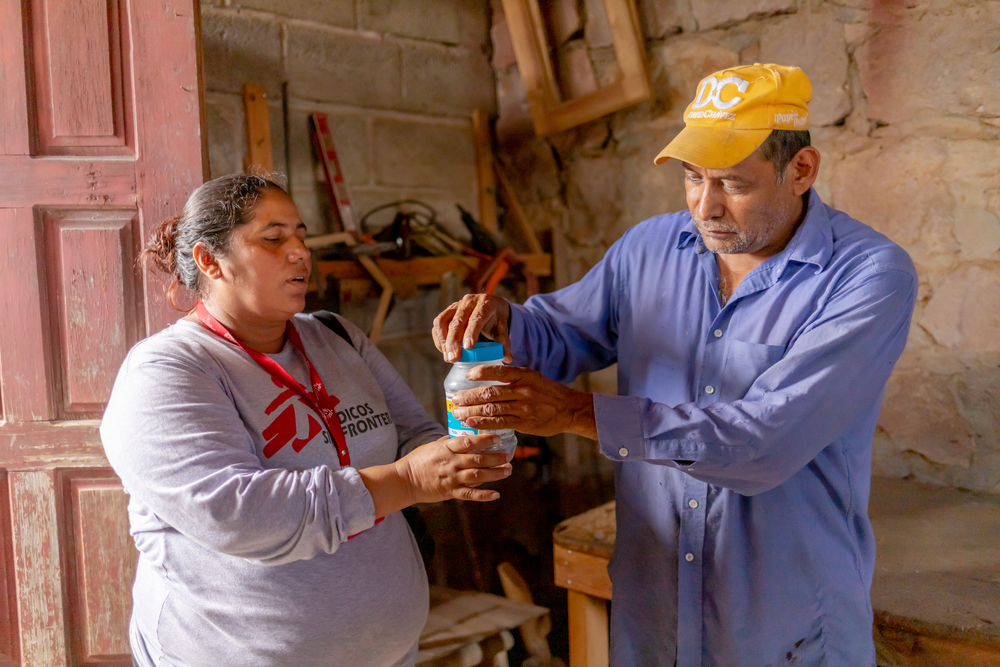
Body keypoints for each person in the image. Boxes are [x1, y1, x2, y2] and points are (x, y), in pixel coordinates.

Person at [432, 64, 917, 666]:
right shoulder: (650, 248)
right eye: (693, 178)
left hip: (784, 628)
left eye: (733, 184)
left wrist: (574, 413)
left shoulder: (867, 277)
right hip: (653, 613)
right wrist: (506, 323)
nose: (705, 207)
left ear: (802, 170)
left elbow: (764, 440)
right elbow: (561, 332)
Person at [100, 174, 513, 667]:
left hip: (388, 651)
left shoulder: (337, 336)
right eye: (273, 239)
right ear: (210, 261)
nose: (300, 252)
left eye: (300, 235)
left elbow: (415, 439)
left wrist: (478, 425)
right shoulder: (167, 372)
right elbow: (237, 513)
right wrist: (407, 481)